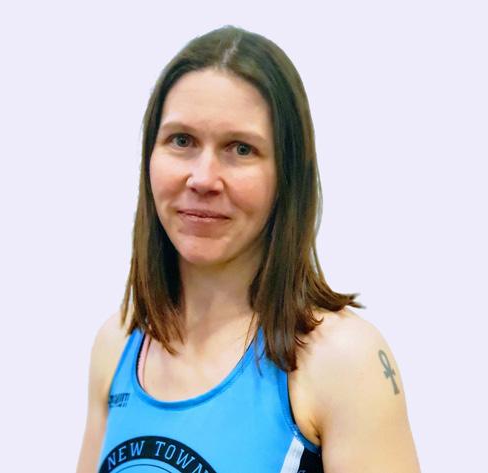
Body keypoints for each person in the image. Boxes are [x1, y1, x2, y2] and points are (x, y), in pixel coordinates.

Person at [76, 25, 421, 473]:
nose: (203, 178)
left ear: (287, 176)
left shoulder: (343, 362)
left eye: (240, 149)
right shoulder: (119, 344)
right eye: (181, 140)